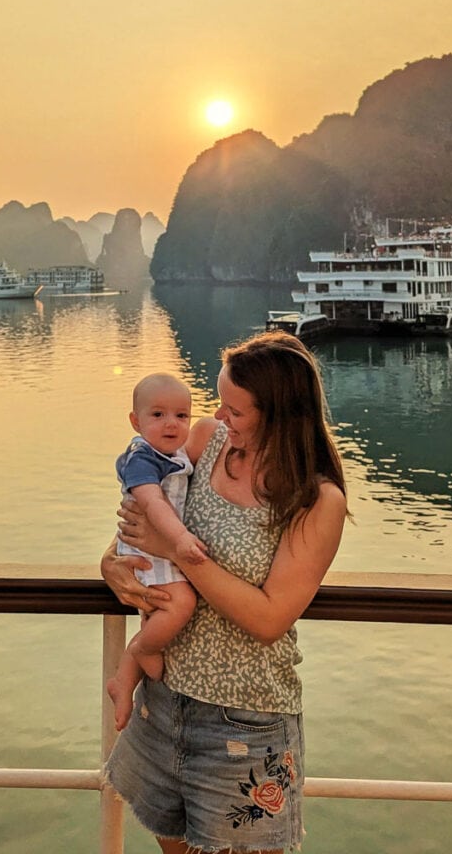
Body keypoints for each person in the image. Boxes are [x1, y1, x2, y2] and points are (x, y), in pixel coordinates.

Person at [101, 331, 349, 854]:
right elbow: (149, 513)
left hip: (245, 720)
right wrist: (113, 560)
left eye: (234, 409)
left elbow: (268, 619)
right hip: (164, 699)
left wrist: (186, 560)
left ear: (278, 414)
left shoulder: (314, 499)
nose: (218, 415)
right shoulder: (206, 441)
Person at [107, 373, 207, 732]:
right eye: (158, 415)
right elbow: (152, 502)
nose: (172, 424)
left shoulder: (175, 455)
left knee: (158, 612)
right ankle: (142, 651)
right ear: (136, 421)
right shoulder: (142, 457)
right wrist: (180, 540)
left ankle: (123, 682)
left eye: (182, 416)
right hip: (148, 553)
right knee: (181, 604)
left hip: (161, 551)